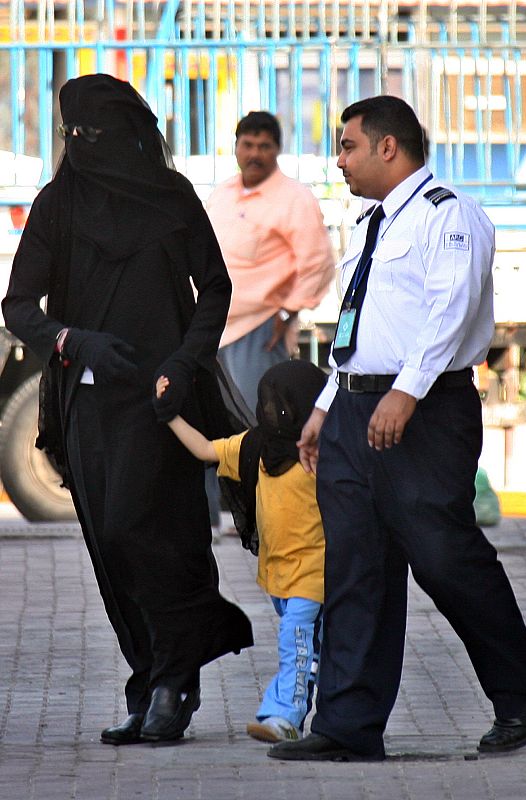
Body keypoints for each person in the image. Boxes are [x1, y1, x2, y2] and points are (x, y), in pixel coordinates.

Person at [269, 96, 526, 762]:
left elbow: (447, 311)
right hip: (352, 410)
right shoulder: (370, 223)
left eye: (347, 146)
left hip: (422, 412)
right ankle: (346, 725)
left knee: (442, 557)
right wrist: (322, 409)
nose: (338, 160)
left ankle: (520, 690)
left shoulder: (446, 214)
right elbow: (358, 328)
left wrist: (404, 392)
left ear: (387, 147)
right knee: (354, 568)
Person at [1, 73, 253, 746]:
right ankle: (149, 677)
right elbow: (18, 305)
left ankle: (175, 678)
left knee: (149, 532)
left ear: (128, 135)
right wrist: (70, 339)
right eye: (71, 133)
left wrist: (182, 361)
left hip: (163, 401)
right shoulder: (58, 204)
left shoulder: (172, 198)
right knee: (109, 543)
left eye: (93, 133)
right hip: (86, 399)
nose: (81, 144)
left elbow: (216, 289)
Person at [156, 359, 327, 742]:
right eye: (267, 404)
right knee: (311, 648)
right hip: (277, 577)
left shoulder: (319, 455)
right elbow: (204, 450)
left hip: (314, 576)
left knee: (296, 644)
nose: (272, 412)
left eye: (282, 405)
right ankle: (321, 712)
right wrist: (170, 415)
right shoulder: (255, 446)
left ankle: (284, 718)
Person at [206, 110, 334, 411]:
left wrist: (288, 311)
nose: (255, 154)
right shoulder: (223, 193)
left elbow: (319, 263)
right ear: (236, 146)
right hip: (212, 325)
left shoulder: (294, 198)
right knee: (220, 426)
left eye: (264, 146)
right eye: (248, 145)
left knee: (254, 420)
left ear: (277, 149)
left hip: (260, 329)